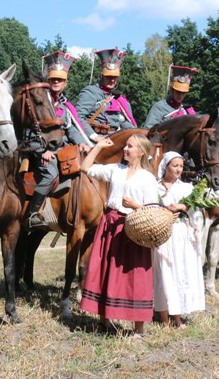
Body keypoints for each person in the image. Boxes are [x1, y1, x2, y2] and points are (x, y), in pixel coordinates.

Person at [79, 134, 159, 336]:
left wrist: (135, 205)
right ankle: (103, 321)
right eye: (125, 145)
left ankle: (138, 330)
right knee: (105, 271)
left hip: (133, 228)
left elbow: (153, 210)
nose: (125, 149)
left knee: (135, 275)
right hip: (109, 225)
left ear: (141, 152)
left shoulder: (148, 178)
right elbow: (85, 167)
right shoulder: (116, 169)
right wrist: (98, 147)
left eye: (130, 146)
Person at [26, 51, 92, 228]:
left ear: (66, 82)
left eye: (60, 80)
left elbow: (72, 129)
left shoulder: (65, 106)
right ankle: (32, 214)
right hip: (41, 149)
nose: (56, 82)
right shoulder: (37, 100)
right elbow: (29, 130)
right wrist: (42, 151)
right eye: (53, 79)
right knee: (51, 174)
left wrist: (82, 143)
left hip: (62, 149)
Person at [153, 152, 205, 328]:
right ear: (166, 166)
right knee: (164, 273)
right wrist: (164, 213)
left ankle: (178, 315)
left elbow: (196, 212)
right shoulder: (155, 188)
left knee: (180, 272)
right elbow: (148, 209)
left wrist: (183, 207)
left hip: (181, 233)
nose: (178, 169)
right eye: (175, 165)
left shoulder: (186, 188)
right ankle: (164, 316)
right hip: (163, 235)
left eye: (181, 166)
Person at [75, 48, 137, 143]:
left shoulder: (119, 98)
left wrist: (135, 132)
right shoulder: (90, 92)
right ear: (101, 76)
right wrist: (95, 137)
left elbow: (123, 122)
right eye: (108, 77)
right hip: (94, 139)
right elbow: (78, 117)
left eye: (114, 77)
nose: (112, 80)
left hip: (116, 138)